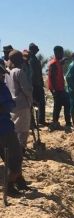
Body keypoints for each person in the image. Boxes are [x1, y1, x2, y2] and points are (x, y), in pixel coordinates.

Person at [0, 59, 28, 196]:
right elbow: (9, 104)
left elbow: (10, 104)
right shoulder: (1, 87)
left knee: (11, 156)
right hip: (4, 128)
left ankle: (18, 180)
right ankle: (9, 186)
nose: (2, 77)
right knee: (15, 156)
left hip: (6, 125)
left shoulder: (2, 86)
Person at [5, 50, 33, 153]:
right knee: (23, 130)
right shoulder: (19, 72)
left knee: (15, 128)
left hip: (12, 105)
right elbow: (27, 89)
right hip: (22, 104)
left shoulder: (7, 72)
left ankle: (14, 148)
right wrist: (30, 100)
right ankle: (20, 150)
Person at [48, 46, 71, 130]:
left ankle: (66, 123)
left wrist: (62, 61)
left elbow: (59, 63)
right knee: (58, 106)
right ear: (57, 53)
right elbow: (52, 77)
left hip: (60, 88)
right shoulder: (53, 64)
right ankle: (56, 123)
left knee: (65, 104)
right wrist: (54, 91)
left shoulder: (57, 62)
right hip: (56, 89)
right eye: (61, 52)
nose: (62, 54)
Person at [29, 43, 46, 126]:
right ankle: (33, 122)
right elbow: (31, 74)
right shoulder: (30, 60)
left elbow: (39, 73)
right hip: (33, 85)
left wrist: (41, 81)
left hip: (38, 84)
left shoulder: (35, 59)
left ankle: (41, 120)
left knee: (41, 103)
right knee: (33, 104)